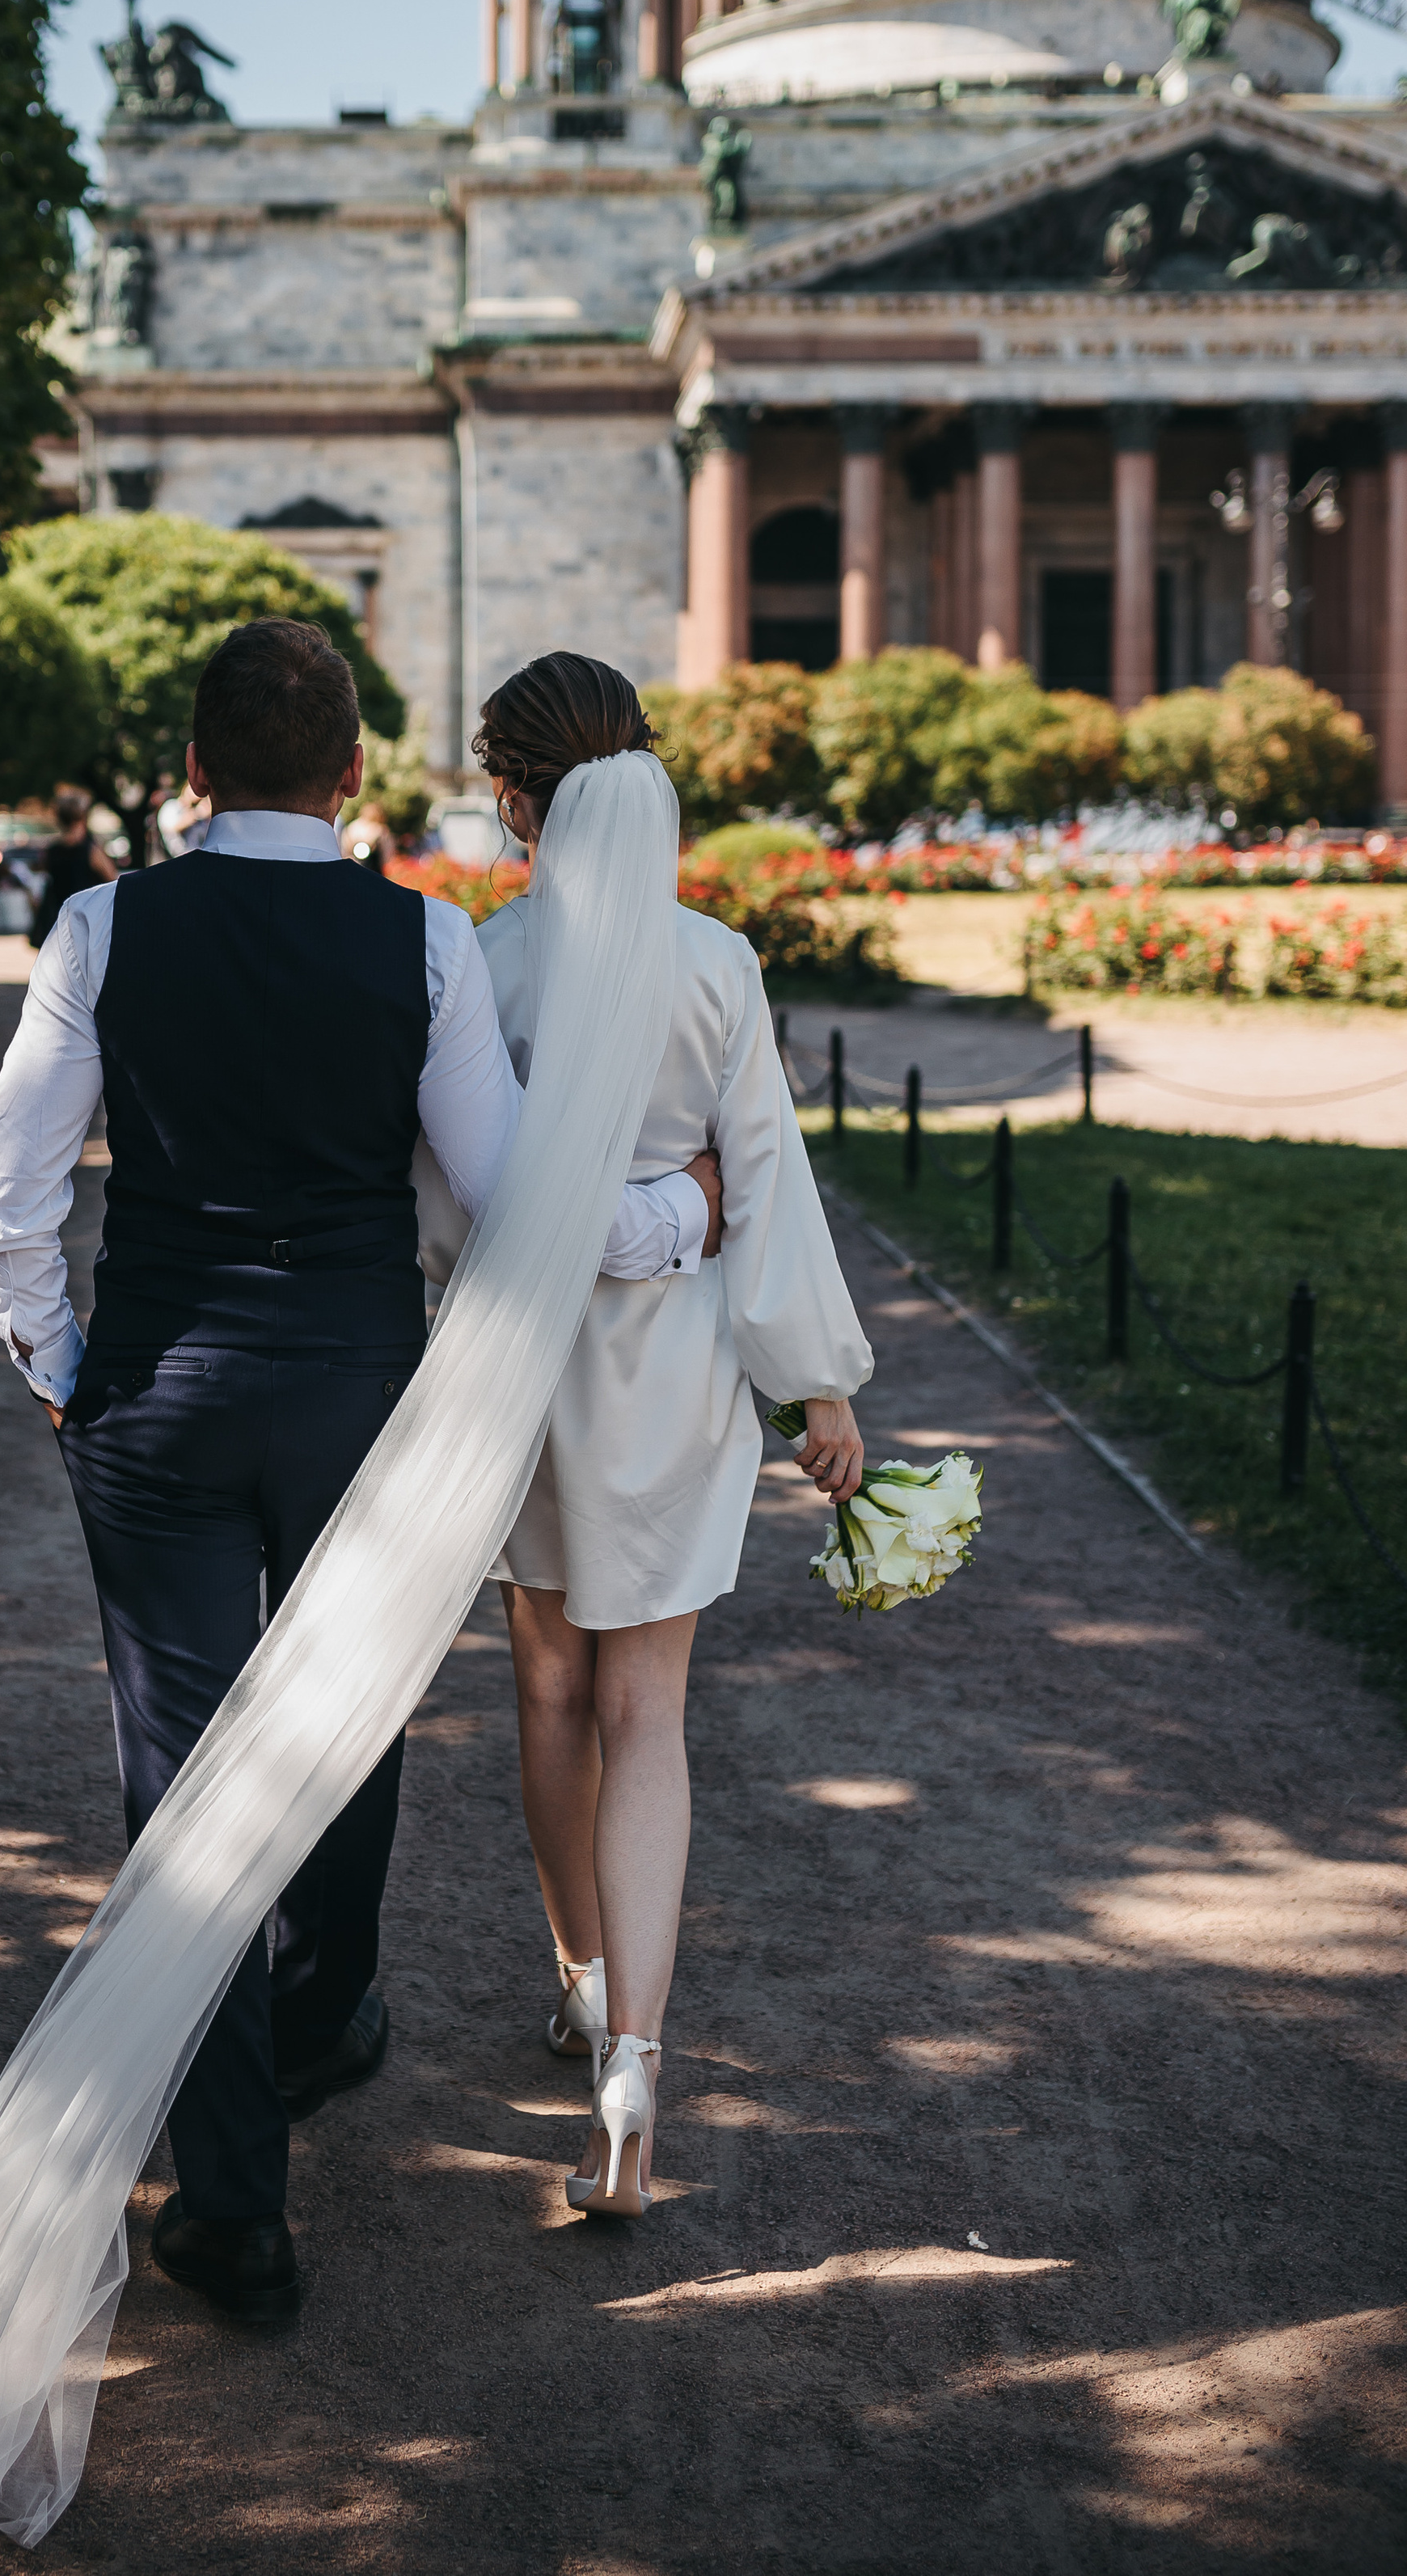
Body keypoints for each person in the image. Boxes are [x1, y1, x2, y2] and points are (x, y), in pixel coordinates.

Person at [0, 619, 719, 2320]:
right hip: (356, 1400)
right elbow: (522, 1194)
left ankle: (233, 2200)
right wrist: (683, 1216)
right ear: (359, 772)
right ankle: (318, 2015)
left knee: (178, 1779)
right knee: (348, 1715)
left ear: (194, 767)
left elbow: (6, 1199)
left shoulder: (101, 926)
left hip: (153, 1392)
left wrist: (65, 1375)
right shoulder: (425, 947)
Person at [416, 652, 873, 2220]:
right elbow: (768, 1178)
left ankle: (580, 1983)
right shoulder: (710, 964)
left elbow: (441, 1198)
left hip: (516, 1373)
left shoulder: (479, 960)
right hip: (671, 1371)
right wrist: (814, 1382)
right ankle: (638, 2064)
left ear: (512, 796)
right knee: (652, 1715)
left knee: (546, 1689)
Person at [29, 784, 116, 944]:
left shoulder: (52, 852)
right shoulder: (90, 851)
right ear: (83, 816)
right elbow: (112, 880)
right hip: (88, 920)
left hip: (60, 920)